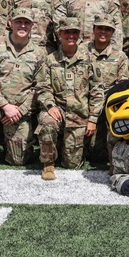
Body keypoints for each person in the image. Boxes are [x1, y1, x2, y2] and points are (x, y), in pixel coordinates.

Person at [0, 8, 51, 170]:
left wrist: (21, 110)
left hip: (20, 108)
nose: (22, 26)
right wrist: (5, 106)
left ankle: (6, 138)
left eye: (26, 22)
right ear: (10, 23)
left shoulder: (39, 52)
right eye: (18, 22)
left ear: (32, 26)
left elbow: (41, 87)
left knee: (18, 160)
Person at [38, 17, 92, 178]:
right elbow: (42, 87)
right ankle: (48, 164)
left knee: (71, 165)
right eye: (66, 32)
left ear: (79, 35)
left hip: (78, 116)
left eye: (74, 32)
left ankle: (65, 145)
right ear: (59, 34)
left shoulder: (88, 59)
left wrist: (93, 119)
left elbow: (97, 90)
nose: (71, 36)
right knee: (47, 122)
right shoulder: (50, 60)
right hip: (58, 112)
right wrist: (50, 105)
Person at [86, 14, 129, 165]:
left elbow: (123, 87)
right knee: (76, 158)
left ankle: (116, 161)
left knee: (101, 154)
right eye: (100, 28)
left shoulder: (120, 56)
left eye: (107, 29)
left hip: (109, 105)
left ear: (112, 32)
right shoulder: (81, 52)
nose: (103, 32)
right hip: (85, 103)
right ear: (93, 29)